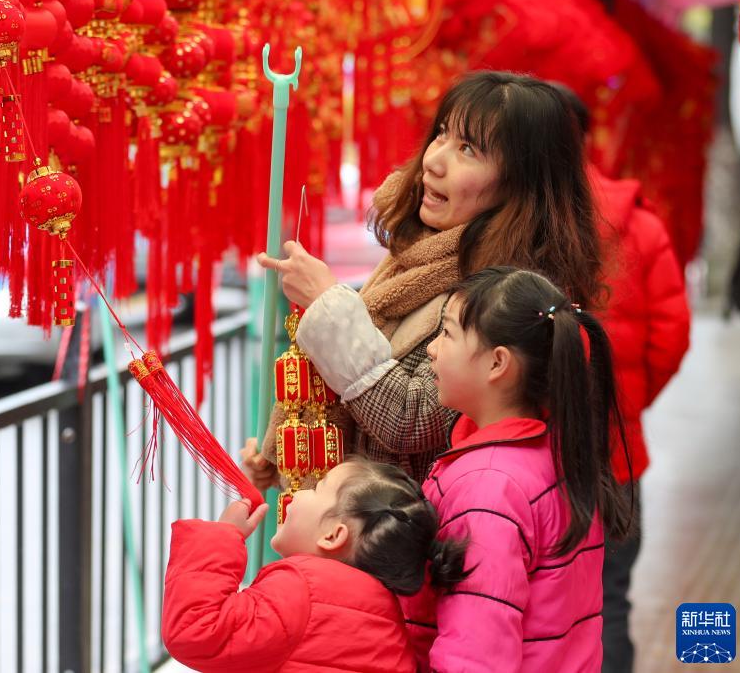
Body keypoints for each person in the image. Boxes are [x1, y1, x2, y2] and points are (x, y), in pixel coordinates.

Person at [244, 71, 605, 487]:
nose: (434, 160)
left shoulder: (509, 300)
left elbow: (411, 419)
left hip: (418, 532)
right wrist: (291, 449)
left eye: (468, 149)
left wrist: (329, 306)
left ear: (520, 185)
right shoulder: (417, 256)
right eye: (442, 135)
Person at [404, 266, 634, 671]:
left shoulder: (489, 488)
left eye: (447, 334)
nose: (432, 350)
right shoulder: (555, 452)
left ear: (497, 363)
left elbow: (475, 656)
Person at [555, 84, 691, 673]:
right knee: (609, 603)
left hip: (533, 456)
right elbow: (672, 333)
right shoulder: (640, 224)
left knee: (540, 610)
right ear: (588, 136)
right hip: (617, 456)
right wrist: (626, 401)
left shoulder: (518, 217)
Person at [161, 458, 469, 672]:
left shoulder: (300, 591)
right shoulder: (382, 612)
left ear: (333, 535)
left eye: (319, 487)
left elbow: (196, 631)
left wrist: (220, 537)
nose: (300, 491)